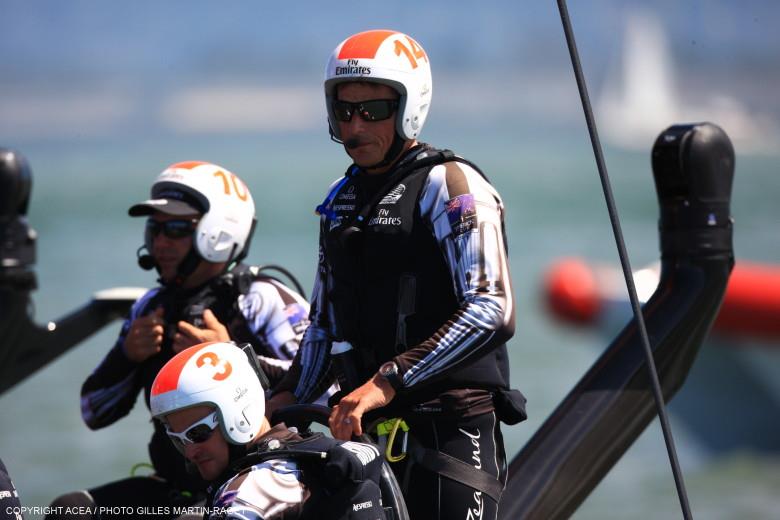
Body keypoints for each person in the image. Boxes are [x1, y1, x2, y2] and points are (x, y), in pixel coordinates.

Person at [268, 29, 526, 520]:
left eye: (373, 111)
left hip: (450, 435)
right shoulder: (339, 199)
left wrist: (387, 380)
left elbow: (494, 309)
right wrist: (282, 400)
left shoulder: (450, 186)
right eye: (344, 111)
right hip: (363, 439)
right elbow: (324, 324)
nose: (355, 127)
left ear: (408, 108)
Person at [48, 161, 311, 519]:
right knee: (68, 511)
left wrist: (235, 358)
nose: (160, 242)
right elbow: (93, 411)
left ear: (217, 233)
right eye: (154, 229)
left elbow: (324, 387)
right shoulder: (150, 307)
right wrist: (127, 357)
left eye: (174, 229)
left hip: (258, 480)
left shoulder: (262, 300)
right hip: (174, 489)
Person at [150, 341, 387, 520]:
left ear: (236, 414)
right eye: (179, 440)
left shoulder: (248, 495)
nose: (190, 452)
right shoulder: (299, 455)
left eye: (198, 433)